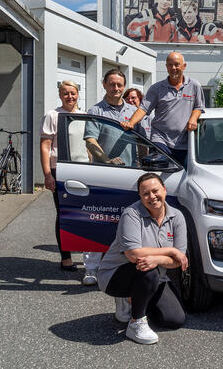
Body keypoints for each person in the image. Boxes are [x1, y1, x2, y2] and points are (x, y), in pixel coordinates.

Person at [97, 173, 188, 344]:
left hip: (155, 275)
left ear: (165, 190)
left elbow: (179, 260)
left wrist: (159, 259)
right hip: (115, 275)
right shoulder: (131, 214)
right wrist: (170, 250)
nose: (152, 197)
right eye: (145, 193)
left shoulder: (177, 217)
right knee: (148, 269)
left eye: (155, 191)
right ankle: (136, 323)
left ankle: (137, 299)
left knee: (174, 319)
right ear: (140, 196)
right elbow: (133, 255)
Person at [82, 69, 141, 285]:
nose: (116, 89)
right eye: (112, 84)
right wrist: (106, 160)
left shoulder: (134, 111)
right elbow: (90, 140)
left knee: (129, 222)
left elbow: (141, 142)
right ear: (104, 84)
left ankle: (125, 264)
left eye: (120, 85)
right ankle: (91, 268)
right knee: (97, 221)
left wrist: (144, 166)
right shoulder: (96, 110)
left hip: (130, 174)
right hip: (103, 175)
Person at [122, 52, 205, 167]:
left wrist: (193, 118)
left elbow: (198, 107)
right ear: (166, 67)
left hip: (186, 143)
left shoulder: (194, 85)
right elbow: (143, 109)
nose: (173, 68)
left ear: (184, 66)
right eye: (170, 65)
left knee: (184, 177)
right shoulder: (156, 88)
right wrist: (131, 123)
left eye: (177, 64)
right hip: (160, 140)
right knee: (160, 174)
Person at [40, 81, 80, 272]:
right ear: (60, 95)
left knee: (84, 214)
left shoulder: (83, 116)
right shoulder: (52, 115)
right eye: (65, 93)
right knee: (64, 214)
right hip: (60, 170)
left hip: (83, 170)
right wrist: (48, 174)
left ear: (78, 94)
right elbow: (45, 146)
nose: (69, 96)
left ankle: (88, 255)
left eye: (72, 93)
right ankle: (66, 258)